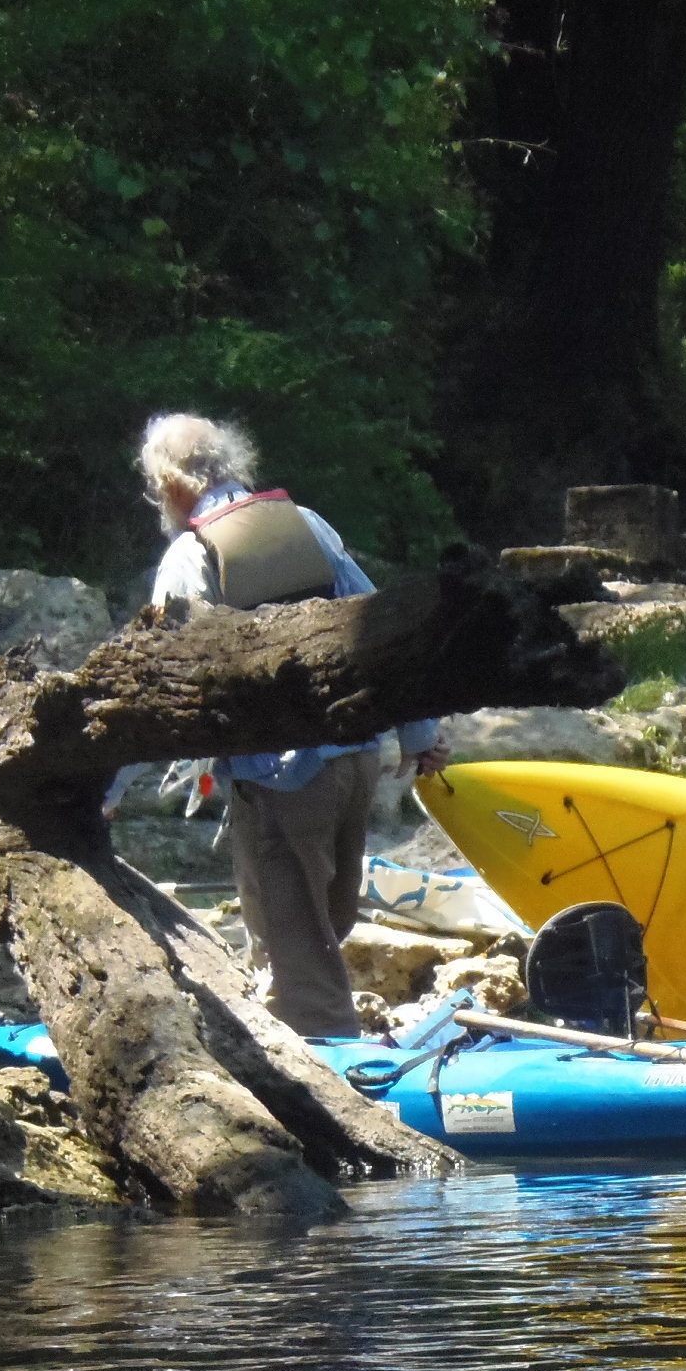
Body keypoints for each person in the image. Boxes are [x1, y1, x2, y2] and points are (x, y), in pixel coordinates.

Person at [137, 412, 442, 1038]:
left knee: (294, 942)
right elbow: (377, 626)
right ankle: (279, 1022)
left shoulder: (188, 557)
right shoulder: (308, 525)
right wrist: (420, 735)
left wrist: (106, 792)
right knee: (315, 926)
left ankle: (326, 1075)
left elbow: (155, 680)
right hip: (356, 763)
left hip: (283, 780)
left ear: (172, 487)